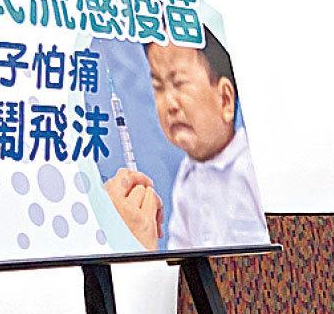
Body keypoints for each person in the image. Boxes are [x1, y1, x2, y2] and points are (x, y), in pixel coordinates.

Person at [105, 28, 268, 251]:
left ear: (225, 99)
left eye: (179, 83)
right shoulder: (187, 176)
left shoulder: (251, 168)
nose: (170, 104)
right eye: (158, 87)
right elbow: (179, 252)